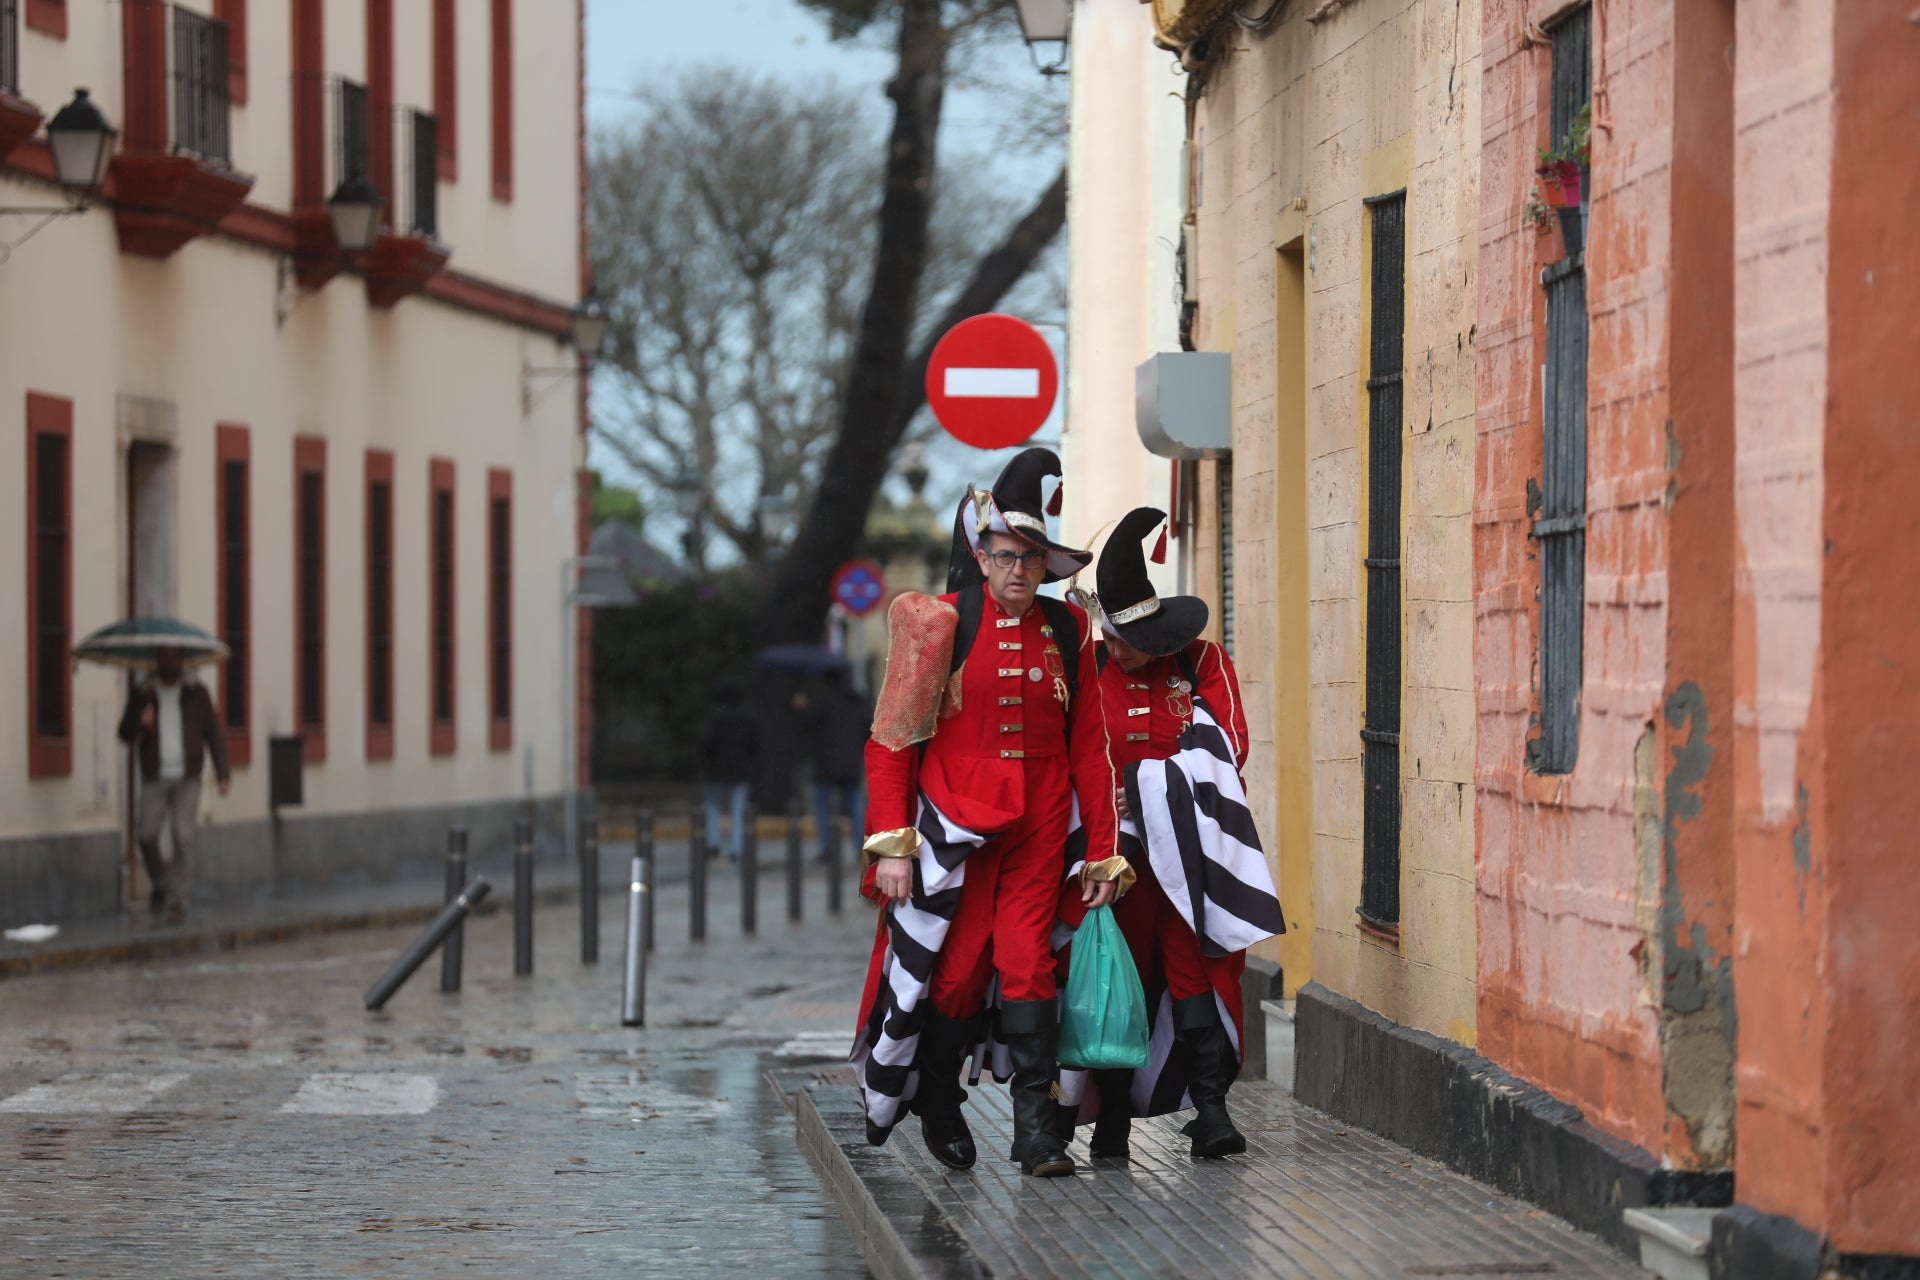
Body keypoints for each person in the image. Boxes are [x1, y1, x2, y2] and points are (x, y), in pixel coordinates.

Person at [851, 447, 1127, 1179]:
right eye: (1004, 556)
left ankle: (1037, 1133)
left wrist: (1103, 850)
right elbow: (891, 743)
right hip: (953, 829)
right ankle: (939, 1099)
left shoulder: (1070, 631)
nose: (1016, 572)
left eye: (1031, 560)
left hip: (1039, 827)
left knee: (1029, 963)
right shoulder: (937, 622)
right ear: (981, 554)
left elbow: (1092, 749)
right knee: (960, 974)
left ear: (1046, 565)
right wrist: (894, 846)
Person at [1068, 506, 1284, 1161]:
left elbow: (1230, 747)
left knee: (1198, 974)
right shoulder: (1088, 672)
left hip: (1190, 856)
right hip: (1117, 858)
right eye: (1112, 635)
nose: (1120, 648)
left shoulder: (1202, 663)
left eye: (1131, 637)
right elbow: (1076, 758)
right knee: (1117, 976)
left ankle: (1213, 1110)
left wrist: (1142, 783)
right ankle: (1109, 1121)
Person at [117, 646, 231, 923]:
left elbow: (213, 733)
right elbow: (124, 733)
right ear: (157, 660)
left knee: (183, 835)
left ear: (182, 660)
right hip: (155, 774)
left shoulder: (197, 693)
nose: (170, 661)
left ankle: (180, 899)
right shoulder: (143, 694)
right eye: (164, 656)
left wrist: (222, 772)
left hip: (188, 775)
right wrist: (141, 724)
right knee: (145, 833)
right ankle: (161, 881)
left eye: (175, 656)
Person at [797, 667, 868, 863]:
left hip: (825, 761)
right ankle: (860, 848)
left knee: (822, 805)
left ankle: (826, 848)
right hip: (850, 762)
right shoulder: (856, 700)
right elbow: (867, 729)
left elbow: (807, 724)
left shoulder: (821, 700)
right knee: (854, 806)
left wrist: (802, 707)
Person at [700, 680, 758, 859]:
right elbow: (754, 743)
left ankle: (713, 844)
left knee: (712, 807)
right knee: (738, 809)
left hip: (716, 769)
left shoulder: (714, 716)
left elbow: (706, 743)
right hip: (740, 769)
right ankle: (737, 848)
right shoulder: (746, 716)